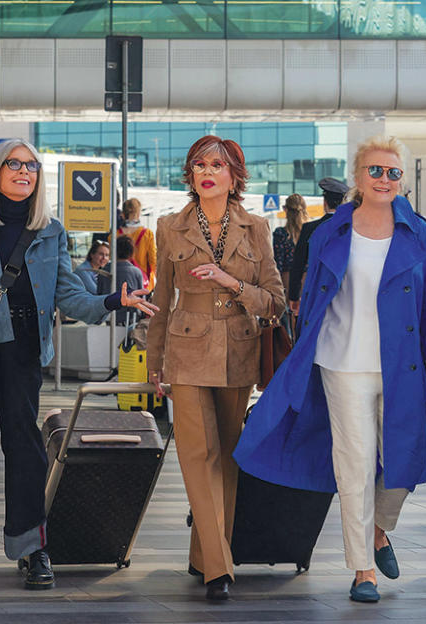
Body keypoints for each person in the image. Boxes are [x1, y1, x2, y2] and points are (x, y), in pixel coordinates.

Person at [0, 139, 157, 604]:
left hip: (24, 350)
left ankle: (32, 550)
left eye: (31, 165)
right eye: (13, 164)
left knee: (25, 448)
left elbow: (69, 295)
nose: (23, 171)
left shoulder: (50, 231)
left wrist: (114, 300)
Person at [234, 136, 426, 604]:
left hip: (404, 366)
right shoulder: (331, 232)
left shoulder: (417, 233)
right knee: (353, 467)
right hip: (342, 363)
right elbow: (311, 299)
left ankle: (379, 529)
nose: (384, 179)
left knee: (406, 462)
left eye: (393, 172)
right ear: (358, 177)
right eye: (375, 171)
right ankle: (362, 570)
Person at [146, 135, 285, 601]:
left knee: (226, 458)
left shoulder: (257, 228)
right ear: (190, 175)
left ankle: (203, 553)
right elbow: (161, 303)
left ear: (234, 177)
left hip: (239, 353)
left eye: (217, 166)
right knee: (196, 456)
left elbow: (275, 304)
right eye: (199, 165)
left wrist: (231, 282)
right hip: (185, 355)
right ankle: (219, 569)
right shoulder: (168, 226)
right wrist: (154, 362)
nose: (207, 172)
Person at [288, 177, 349, 314]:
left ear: (325, 203)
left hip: (315, 292)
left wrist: (294, 296)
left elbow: (297, 266)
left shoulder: (309, 229)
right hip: (345, 294)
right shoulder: (350, 229)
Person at [97, 235, 146, 324]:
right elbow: (141, 298)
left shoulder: (103, 271)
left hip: (109, 318)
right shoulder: (136, 272)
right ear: (131, 253)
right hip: (130, 319)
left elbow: (98, 296)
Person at [119, 198, 156, 290]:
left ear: (123, 214)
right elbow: (153, 260)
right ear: (139, 214)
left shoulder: (115, 235)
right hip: (142, 281)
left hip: (119, 279)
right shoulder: (147, 234)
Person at [272, 193, 308, 290]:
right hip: (307, 284)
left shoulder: (281, 234)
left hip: (286, 282)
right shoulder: (312, 233)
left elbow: (277, 264)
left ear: (286, 210)